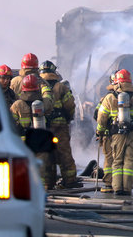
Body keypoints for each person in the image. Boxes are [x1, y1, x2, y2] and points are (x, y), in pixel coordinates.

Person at [96, 69, 133, 196]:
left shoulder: (109, 98)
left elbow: (101, 118)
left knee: (117, 160)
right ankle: (127, 189)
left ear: (117, 82)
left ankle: (117, 188)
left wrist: (100, 132)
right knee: (130, 160)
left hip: (116, 134)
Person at [39, 60, 80, 189]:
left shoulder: (37, 86)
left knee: (47, 154)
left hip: (43, 127)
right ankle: (70, 180)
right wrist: (68, 118)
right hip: (60, 126)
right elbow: (70, 106)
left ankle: (47, 183)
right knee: (64, 153)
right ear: (53, 71)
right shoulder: (61, 87)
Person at [10, 73, 54, 190]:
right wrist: (45, 88)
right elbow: (50, 100)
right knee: (40, 167)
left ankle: (21, 189)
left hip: (22, 142)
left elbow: (11, 125)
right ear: (37, 88)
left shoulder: (17, 104)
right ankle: (40, 189)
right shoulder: (43, 102)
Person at [93, 71, 117, 192]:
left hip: (108, 135)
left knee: (109, 158)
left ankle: (109, 183)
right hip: (124, 136)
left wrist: (99, 132)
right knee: (121, 159)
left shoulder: (106, 98)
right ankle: (121, 185)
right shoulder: (131, 97)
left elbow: (97, 115)